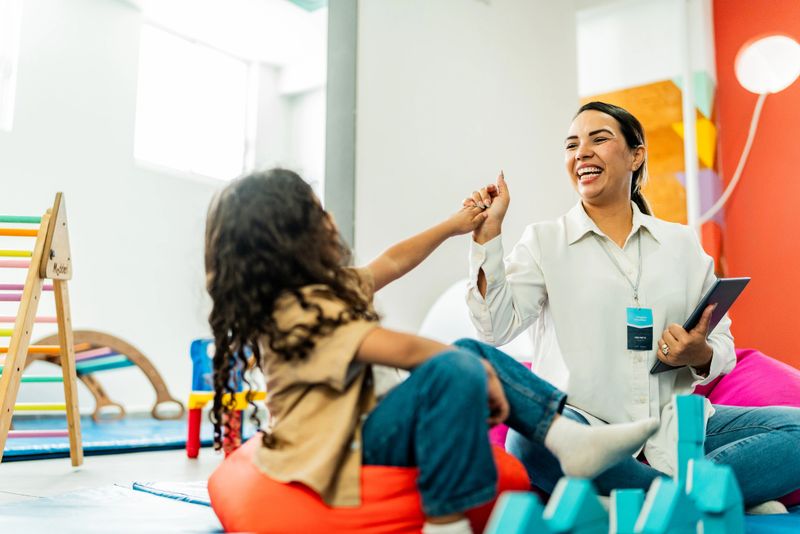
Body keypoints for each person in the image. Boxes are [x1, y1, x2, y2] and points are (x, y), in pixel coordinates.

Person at [204, 168, 659, 534]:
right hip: (337, 448)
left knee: (463, 353)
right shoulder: (297, 312)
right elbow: (396, 348)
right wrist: (473, 375)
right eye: (318, 213)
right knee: (455, 364)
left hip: (366, 429)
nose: (331, 220)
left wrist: (454, 226)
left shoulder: (327, 289)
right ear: (292, 235)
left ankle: (568, 439)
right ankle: (445, 521)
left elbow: (392, 261)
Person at [464, 101, 800, 511]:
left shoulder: (680, 243)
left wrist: (700, 354)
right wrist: (488, 238)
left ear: (636, 155)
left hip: (673, 428)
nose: (581, 152)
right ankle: (709, 495)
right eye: (572, 145)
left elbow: (723, 342)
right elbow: (492, 328)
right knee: (528, 442)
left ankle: (647, 501)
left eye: (598, 139)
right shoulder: (544, 241)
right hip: (581, 428)